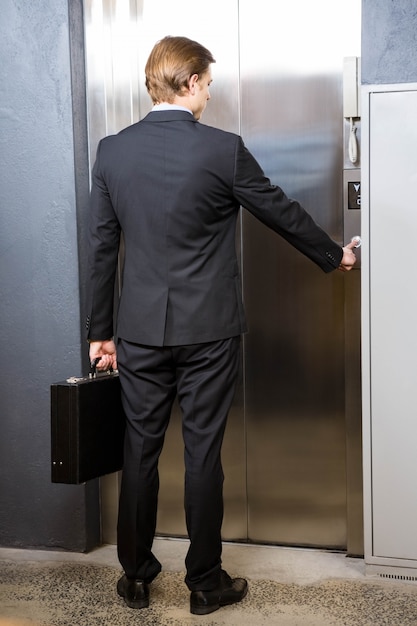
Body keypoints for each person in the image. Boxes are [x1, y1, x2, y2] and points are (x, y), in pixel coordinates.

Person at [86, 35, 356, 616]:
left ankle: (134, 577)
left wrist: (99, 332)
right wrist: (334, 255)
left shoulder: (111, 152)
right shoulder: (222, 150)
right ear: (188, 83)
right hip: (207, 330)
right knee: (204, 451)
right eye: (208, 83)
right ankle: (205, 583)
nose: (210, 93)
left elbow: (103, 248)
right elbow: (277, 208)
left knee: (139, 450)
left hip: (137, 331)